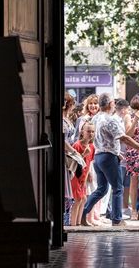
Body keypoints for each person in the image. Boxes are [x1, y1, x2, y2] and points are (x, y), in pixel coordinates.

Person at [80, 93, 139, 227]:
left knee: (101, 189)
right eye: (113, 103)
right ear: (110, 104)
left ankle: (83, 213)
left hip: (98, 156)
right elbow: (124, 137)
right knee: (118, 188)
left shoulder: (95, 118)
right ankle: (117, 219)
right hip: (108, 157)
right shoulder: (110, 119)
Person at [70, 121, 95, 226]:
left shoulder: (92, 147)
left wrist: (89, 174)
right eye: (88, 131)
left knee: (83, 198)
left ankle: (78, 222)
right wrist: (84, 154)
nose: (91, 134)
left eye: (93, 131)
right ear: (82, 132)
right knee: (78, 199)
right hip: (75, 175)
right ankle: (73, 224)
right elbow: (74, 162)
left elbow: (89, 163)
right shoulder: (77, 145)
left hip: (83, 177)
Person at [62, 92, 77, 226]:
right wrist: (73, 151)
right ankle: (63, 219)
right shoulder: (61, 120)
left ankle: (66, 218)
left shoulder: (67, 118)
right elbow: (62, 140)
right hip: (65, 154)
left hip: (70, 154)